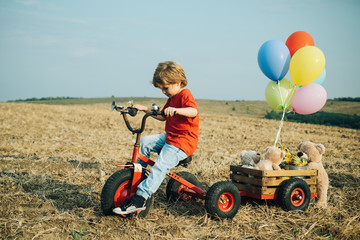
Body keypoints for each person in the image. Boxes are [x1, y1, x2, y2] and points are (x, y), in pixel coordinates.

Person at [113, 61, 199, 215]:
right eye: (162, 89)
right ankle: (140, 176)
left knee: (160, 165)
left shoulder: (185, 94)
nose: (164, 92)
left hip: (183, 141)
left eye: (166, 88)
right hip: (170, 136)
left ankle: (140, 198)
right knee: (145, 142)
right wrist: (144, 108)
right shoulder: (171, 98)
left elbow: (193, 111)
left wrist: (177, 110)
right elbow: (162, 116)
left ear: (179, 82)